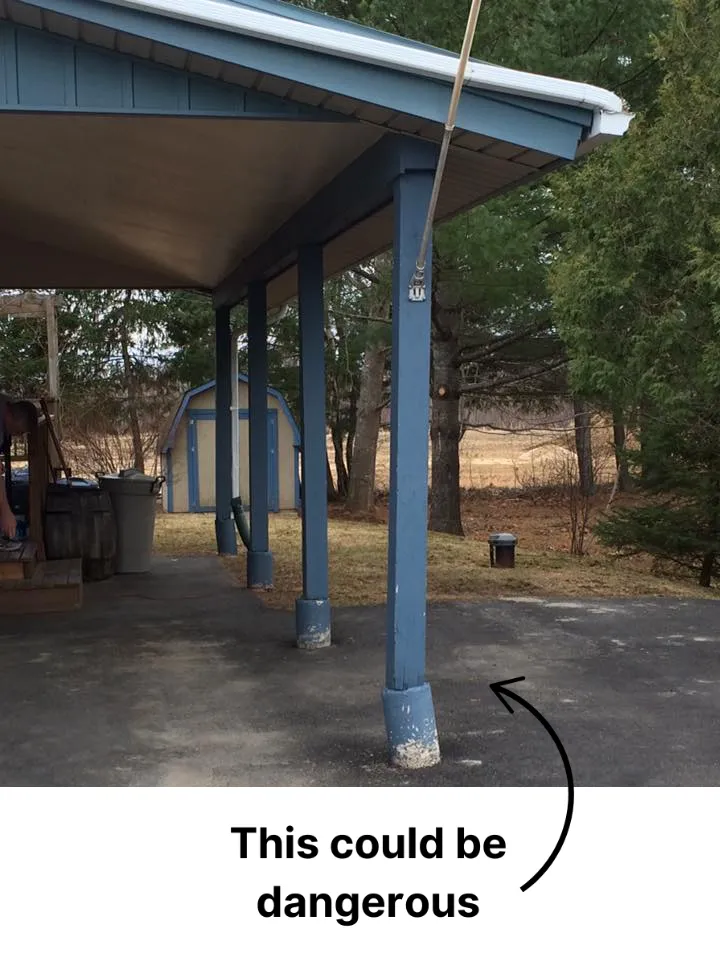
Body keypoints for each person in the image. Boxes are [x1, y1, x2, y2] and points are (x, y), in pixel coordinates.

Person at [0, 394, 38, 538]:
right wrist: (5, 511)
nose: (17, 435)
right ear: (10, 415)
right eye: (18, 431)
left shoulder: (5, 402)